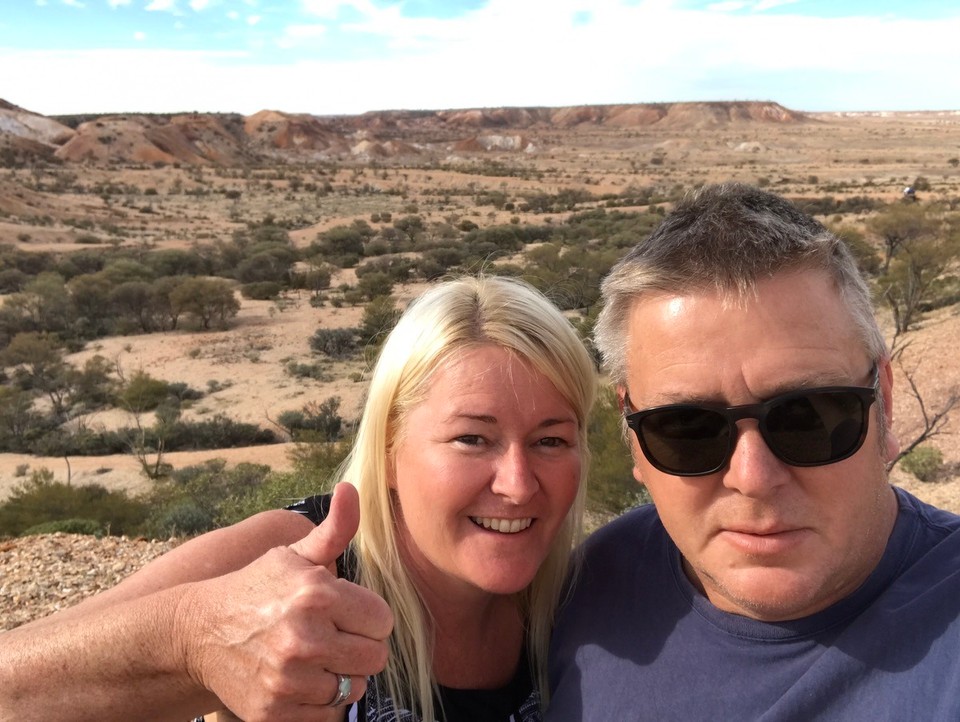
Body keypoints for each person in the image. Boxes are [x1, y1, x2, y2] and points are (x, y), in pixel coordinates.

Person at [0, 274, 597, 722]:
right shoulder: (293, 563)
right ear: (389, 448)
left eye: (551, 440)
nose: (518, 484)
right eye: (472, 439)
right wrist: (196, 641)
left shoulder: (591, 590)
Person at [547, 184, 960, 720]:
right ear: (632, 432)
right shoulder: (587, 588)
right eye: (686, 427)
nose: (753, 476)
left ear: (883, 398)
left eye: (809, 415)